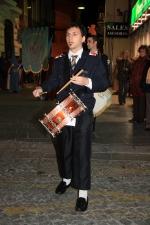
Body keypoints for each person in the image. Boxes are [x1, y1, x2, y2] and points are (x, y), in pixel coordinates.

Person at [33, 22, 108, 212]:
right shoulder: (59, 60)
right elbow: (52, 81)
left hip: (83, 109)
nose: (69, 38)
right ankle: (66, 179)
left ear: (83, 38)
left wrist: (87, 81)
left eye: (74, 34)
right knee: (64, 147)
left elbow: (103, 82)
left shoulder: (92, 59)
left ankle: (82, 192)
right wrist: (42, 88)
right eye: (67, 34)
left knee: (82, 151)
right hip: (64, 110)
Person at [129, 45, 149, 123]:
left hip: (142, 84)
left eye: (143, 51)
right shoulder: (136, 61)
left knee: (141, 103)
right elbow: (133, 72)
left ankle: (140, 118)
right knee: (135, 102)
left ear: (146, 52)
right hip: (135, 84)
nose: (141, 52)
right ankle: (135, 117)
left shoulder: (147, 61)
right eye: (140, 51)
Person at [141, 59, 150, 131]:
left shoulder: (148, 63)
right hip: (148, 88)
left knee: (148, 106)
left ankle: (148, 124)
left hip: (148, 88)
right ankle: (148, 124)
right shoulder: (148, 63)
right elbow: (145, 76)